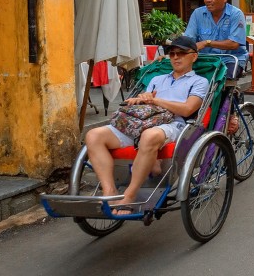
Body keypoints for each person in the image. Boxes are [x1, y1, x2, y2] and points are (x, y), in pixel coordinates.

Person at [83, 36, 209, 206]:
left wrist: (156, 101)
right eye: (172, 54)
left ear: (194, 56)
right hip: (143, 122)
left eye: (181, 53)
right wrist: (140, 99)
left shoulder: (199, 81)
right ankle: (110, 191)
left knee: (149, 136)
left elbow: (188, 109)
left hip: (174, 124)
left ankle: (130, 195)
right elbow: (146, 104)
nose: (176, 57)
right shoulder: (157, 80)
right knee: (93, 135)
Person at [183, 0, 247, 78]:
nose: (208, 0)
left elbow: (234, 44)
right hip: (205, 60)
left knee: (222, 81)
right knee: (185, 77)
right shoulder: (197, 13)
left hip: (230, 59)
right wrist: (170, 54)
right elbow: (188, 40)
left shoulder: (236, 14)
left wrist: (206, 42)